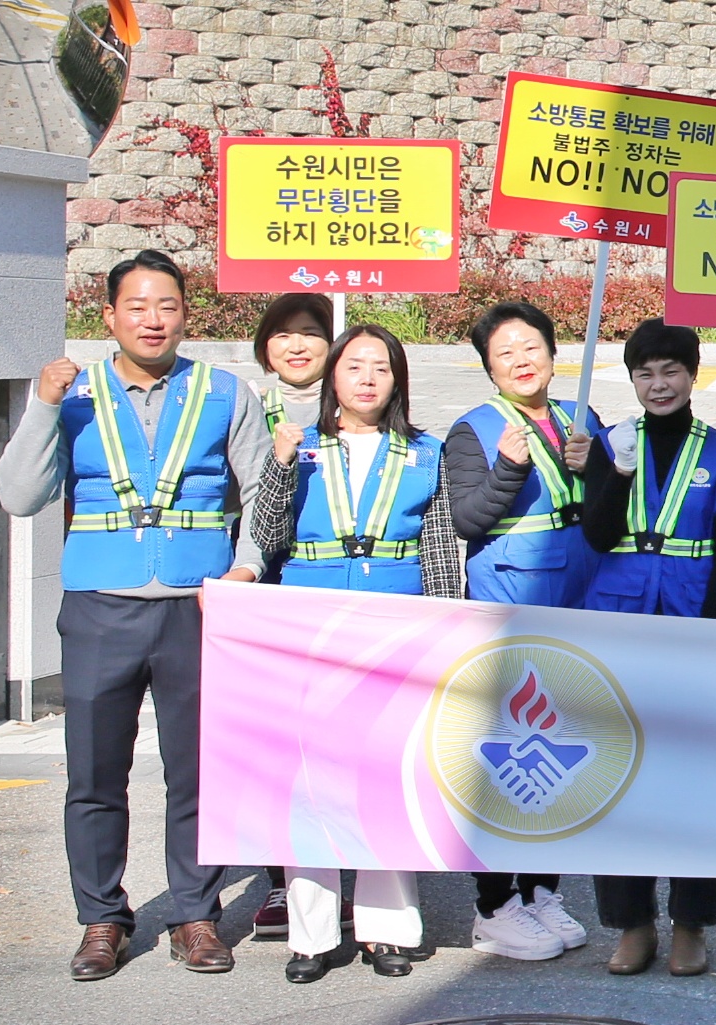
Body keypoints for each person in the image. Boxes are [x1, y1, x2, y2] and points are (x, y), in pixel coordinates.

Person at [0, 250, 267, 980]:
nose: (153, 319)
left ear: (186, 313)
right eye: (137, 306)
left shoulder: (223, 391)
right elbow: (19, 496)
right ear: (108, 315)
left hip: (196, 608)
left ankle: (195, 913)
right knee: (93, 774)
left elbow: (266, 493)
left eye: (168, 305)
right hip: (97, 608)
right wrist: (43, 405)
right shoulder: (73, 394)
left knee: (198, 773)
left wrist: (246, 567)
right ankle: (101, 918)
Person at [259, 324, 458, 982]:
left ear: (398, 379)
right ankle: (311, 935)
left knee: (384, 778)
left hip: (394, 627)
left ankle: (387, 928)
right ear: (332, 377)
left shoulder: (425, 452)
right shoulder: (300, 445)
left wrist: (443, 633)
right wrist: (280, 465)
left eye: (382, 366)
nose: (368, 377)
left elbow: (437, 553)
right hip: (310, 628)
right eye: (355, 365)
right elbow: (264, 535)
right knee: (308, 782)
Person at [579, 319, 716, 977]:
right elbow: (596, 536)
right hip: (619, 630)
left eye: (670, 370)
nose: (658, 384)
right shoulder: (610, 443)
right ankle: (630, 922)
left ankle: (690, 924)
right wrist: (617, 472)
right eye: (645, 373)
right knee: (619, 781)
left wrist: (711, 632)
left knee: (695, 783)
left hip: (694, 629)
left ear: (692, 374)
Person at [442, 301, 601, 961]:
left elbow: (610, 508)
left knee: (563, 754)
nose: (521, 360)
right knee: (508, 758)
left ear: (552, 351)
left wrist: (599, 470)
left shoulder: (581, 415)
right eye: (504, 353)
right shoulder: (473, 429)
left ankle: (542, 890)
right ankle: (494, 901)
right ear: (488, 367)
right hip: (511, 606)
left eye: (529, 345)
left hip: (578, 600)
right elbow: (466, 520)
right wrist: (508, 467)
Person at [238, 290, 332, 940]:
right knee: (273, 748)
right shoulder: (245, 409)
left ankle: (344, 880)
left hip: (330, 594)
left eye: (310, 332)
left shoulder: (355, 402)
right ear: (264, 344)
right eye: (283, 333)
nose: (296, 344)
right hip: (261, 594)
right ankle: (280, 882)